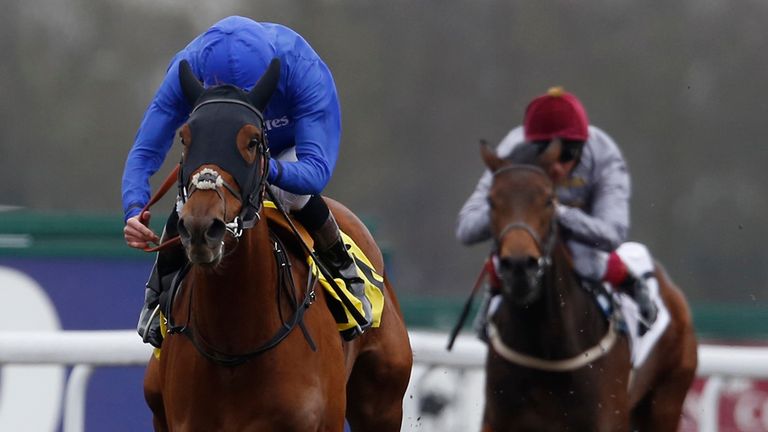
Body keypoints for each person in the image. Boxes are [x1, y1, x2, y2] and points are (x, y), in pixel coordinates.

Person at [122, 16, 370, 347]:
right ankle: (158, 294)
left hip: (282, 150)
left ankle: (342, 268)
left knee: (290, 194)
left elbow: (316, 170)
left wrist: (267, 171)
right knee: (194, 196)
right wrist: (135, 208)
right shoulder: (187, 68)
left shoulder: (303, 68)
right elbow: (143, 152)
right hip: (223, 151)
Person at [456, 86, 658, 335]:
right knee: (511, 253)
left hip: (585, 243)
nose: (558, 168)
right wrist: (510, 209)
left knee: (586, 262)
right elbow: (466, 229)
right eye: (547, 156)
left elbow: (612, 234)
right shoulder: (512, 151)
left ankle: (630, 285)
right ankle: (494, 292)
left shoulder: (605, 156)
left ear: (583, 146)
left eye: (568, 156)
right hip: (533, 237)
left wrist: (556, 212)